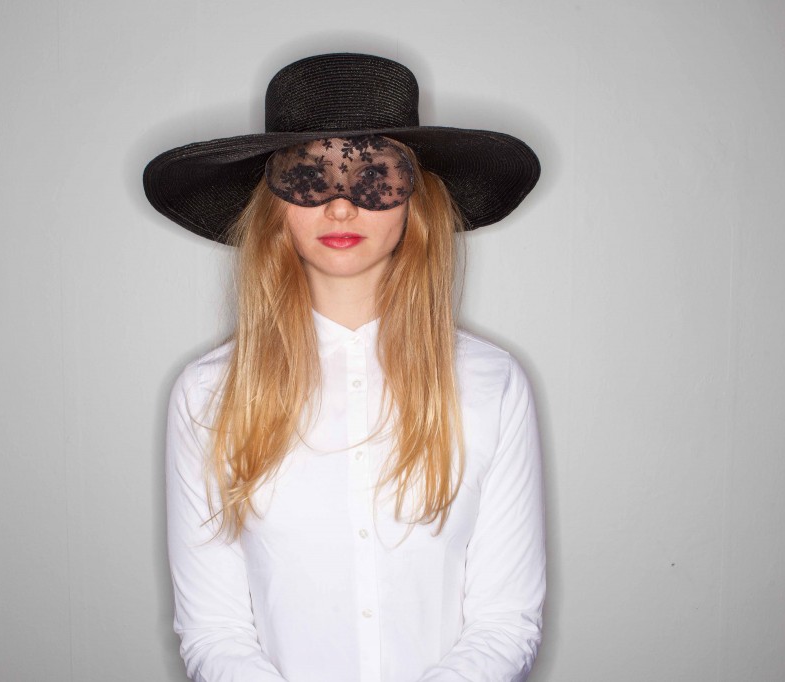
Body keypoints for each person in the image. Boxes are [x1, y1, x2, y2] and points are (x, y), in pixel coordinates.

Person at [144, 53, 545, 682]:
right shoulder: (207, 394)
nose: (339, 208)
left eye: (372, 176)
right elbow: (214, 631)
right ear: (274, 203)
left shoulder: (491, 385)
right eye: (310, 177)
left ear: (415, 197)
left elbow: (505, 621)